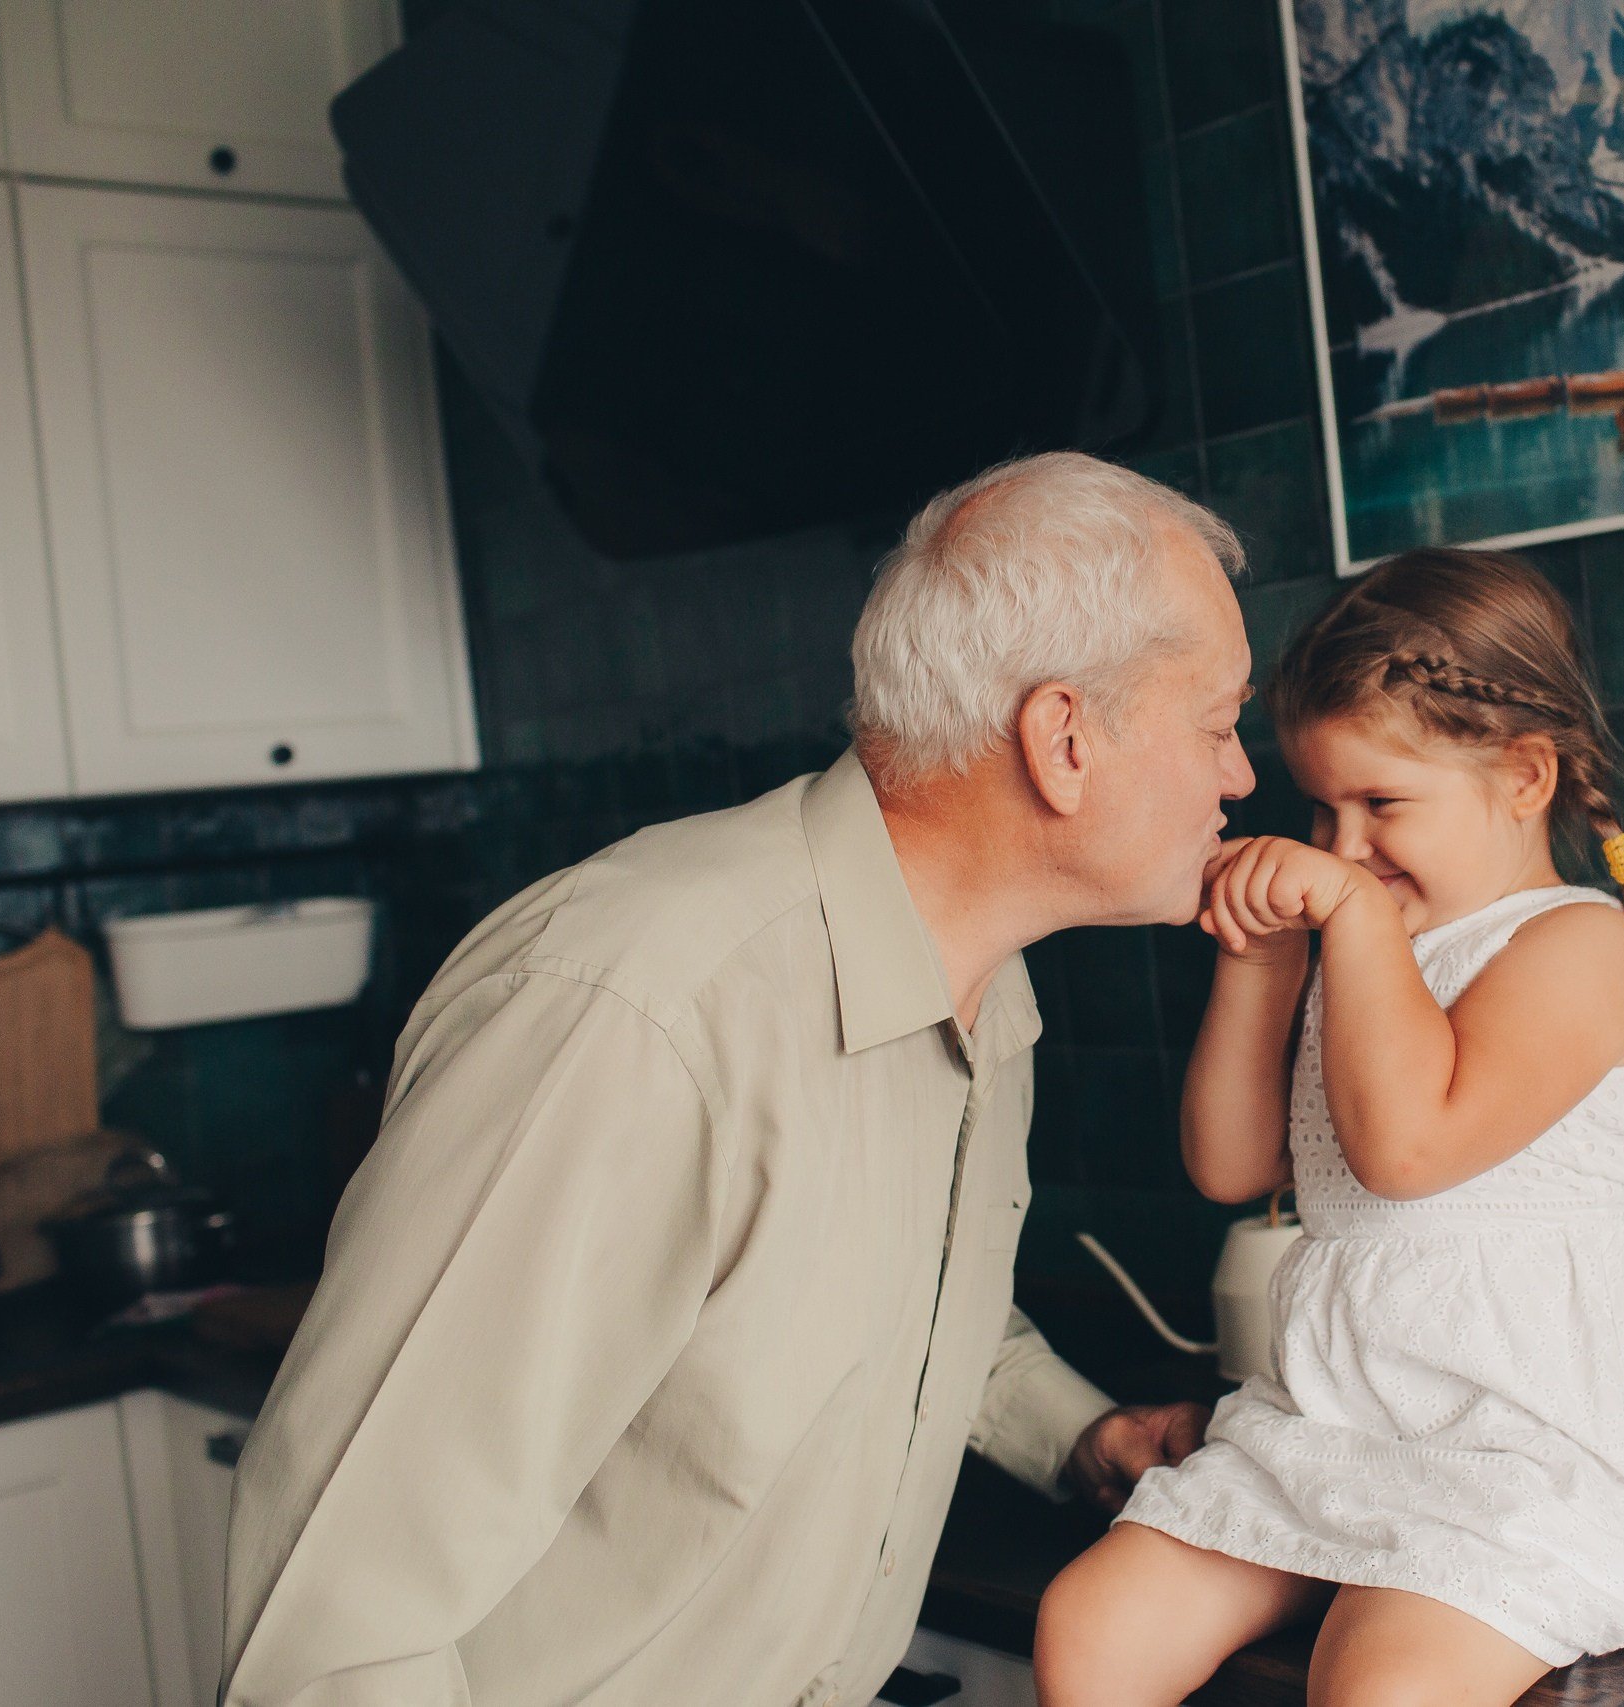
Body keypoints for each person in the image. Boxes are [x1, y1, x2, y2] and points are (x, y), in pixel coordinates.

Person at [221, 452, 1256, 1707]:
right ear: (1064, 741)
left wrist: (1076, 1434)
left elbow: (892, 1299)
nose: (1240, 777)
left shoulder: (985, 988)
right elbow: (337, 1625)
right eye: (1217, 725)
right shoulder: (634, 1013)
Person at [1035, 549, 1624, 1706]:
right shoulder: (1363, 944)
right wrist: (1261, 962)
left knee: (1378, 1687)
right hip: (1343, 1422)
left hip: (1535, 1445)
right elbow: (1230, 1166)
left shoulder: (1577, 947)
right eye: (1321, 808)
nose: (1342, 846)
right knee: (1089, 1625)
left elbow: (1405, 1153)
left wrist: (1348, 921)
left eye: (1382, 805)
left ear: (1524, 776)